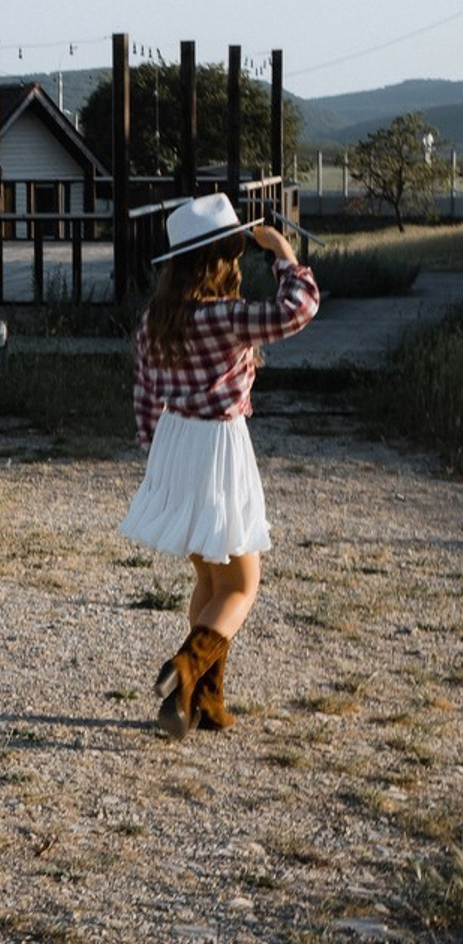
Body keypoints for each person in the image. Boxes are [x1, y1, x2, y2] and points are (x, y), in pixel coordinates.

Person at [119, 192, 320, 741]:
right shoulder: (224, 318)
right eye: (232, 254)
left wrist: (157, 458)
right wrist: (282, 253)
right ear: (218, 263)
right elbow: (298, 307)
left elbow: (144, 393)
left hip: (175, 442)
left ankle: (201, 702)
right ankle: (185, 668)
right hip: (217, 445)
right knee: (242, 585)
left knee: (210, 578)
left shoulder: (154, 319)